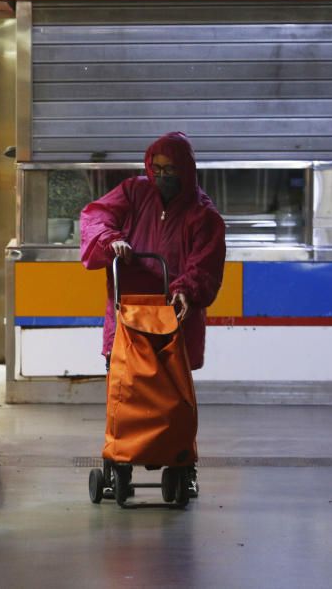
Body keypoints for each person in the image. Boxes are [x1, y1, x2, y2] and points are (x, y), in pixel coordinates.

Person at [79, 131, 226, 497]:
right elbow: (95, 217)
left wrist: (186, 290)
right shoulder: (133, 192)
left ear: (187, 170)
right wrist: (111, 240)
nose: (162, 176)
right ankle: (122, 456)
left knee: (173, 398)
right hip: (128, 317)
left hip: (175, 319)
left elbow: (206, 264)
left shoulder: (202, 215)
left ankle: (179, 461)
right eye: (156, 168)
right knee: (126, 393)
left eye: (170, 169)